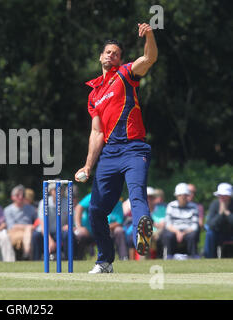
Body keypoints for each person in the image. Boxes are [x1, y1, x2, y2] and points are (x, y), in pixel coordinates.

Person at [74, 23, 158, 273]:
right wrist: (88, 166)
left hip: (134, 149)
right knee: (96, 210)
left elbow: (150, 57)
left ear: (120, 59)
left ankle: (143, 233)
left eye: (116, 53)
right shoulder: (94, 95)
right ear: (101, 56)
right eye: (107, 52)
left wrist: (150, 35)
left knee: (136, 194)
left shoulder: (125, 74)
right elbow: (97, 132)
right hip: (110, 153)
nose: (111, 55)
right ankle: (104, 261)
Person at [32, 182, 72, 261]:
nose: (58, 191)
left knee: (68, 234)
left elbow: (70, 221)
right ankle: (36, 260)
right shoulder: (43, 202)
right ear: (50, 191)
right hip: (46, 232)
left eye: (60, 189)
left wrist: (69, 225)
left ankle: (69, 259)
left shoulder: (67, 202)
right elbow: (42, 224)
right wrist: (49, 241)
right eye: (55, 189)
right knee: (35, 236)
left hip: (60, 232)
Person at [162, 183, 200, 259]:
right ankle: (169, 255)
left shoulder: (194, 206)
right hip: (174, 230)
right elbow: (168, 224)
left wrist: (183, 233)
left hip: (188, 231)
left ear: (188, 196)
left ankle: (193, 255)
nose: (182, 197)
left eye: (185, 195)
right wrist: (177, 232)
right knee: (168, 235)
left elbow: (195, 226)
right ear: (176, 196)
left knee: (193, 235)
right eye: (180, 195)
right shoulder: (171, 205)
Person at [4, 185, 37, 260]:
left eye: (23, 195)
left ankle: (27, 254)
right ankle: (28, 255)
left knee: (31, 234)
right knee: (29, 233)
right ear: (12, 197)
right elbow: (11, 226)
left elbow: (37, 221)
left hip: (29, 232)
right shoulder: (8, 210)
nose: (21, 197)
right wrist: (28, 227)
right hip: (14, 233)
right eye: (18, 195)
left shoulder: (31, 208)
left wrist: (30, 228)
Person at [203, 183, 233, 258]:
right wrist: (220, 214)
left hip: (231, 233)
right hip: (218, 234)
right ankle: (210, 257)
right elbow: (211, 225)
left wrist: (227, 213)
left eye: (224, 196)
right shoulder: (214, 204)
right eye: (220, 195)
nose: (222, 198)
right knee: (210, 234)